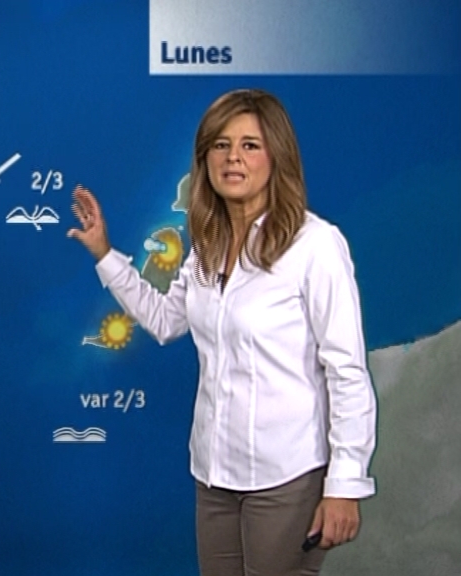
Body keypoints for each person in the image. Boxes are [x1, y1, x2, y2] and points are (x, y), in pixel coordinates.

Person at [67, 88, 377, 575]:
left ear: (277, 156)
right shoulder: (207, 246)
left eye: (250, 145)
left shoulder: (315, 246)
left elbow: (347, 371)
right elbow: (165, 320)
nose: (233, 158)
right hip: (214, 476)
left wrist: (345, 484)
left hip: (287, 478)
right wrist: (105, 254)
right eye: (221, 145)